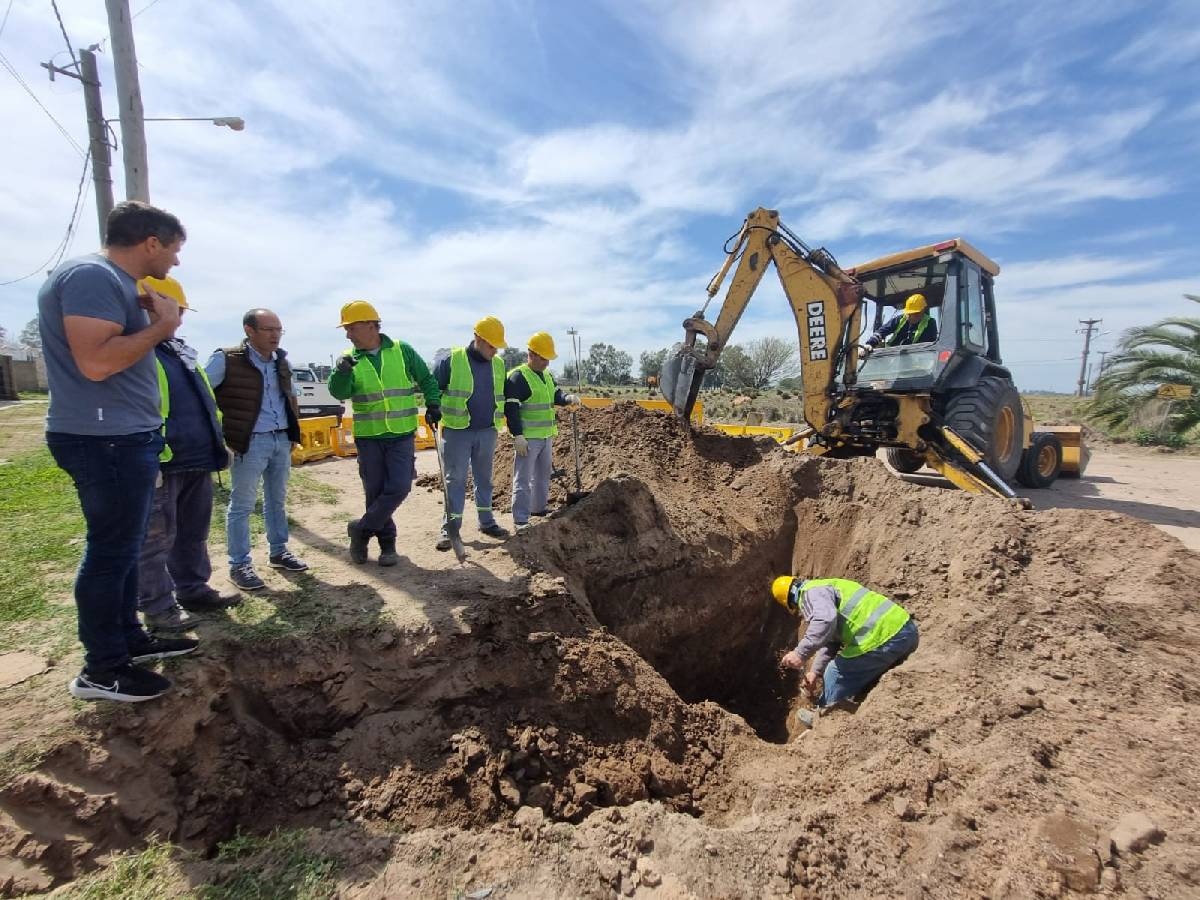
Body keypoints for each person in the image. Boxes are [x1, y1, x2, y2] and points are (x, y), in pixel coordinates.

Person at [38, 200, 199, 703]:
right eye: (173, 250)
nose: (174, 262)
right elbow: (95, 362)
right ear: (151, 241)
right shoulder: (92, 276)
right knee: (110, 552)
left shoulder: (117, 285)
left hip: (124, 436)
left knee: (125, 549)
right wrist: (161, 328)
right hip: (103, 439)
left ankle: (128, 639)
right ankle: (101, 668)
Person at [135, 276, 238, 632]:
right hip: (161, 460)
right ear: (148, 306)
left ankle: (193, 589)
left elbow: (206, 403)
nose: (179, 319)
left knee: (192, 532)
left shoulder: (179, 353)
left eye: (179, 312)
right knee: (155, 539)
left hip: (196, 457)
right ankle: (158, 608)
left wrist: (216, 443)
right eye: (174, 311)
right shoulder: (135, 351)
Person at [328, 300, 441, 566]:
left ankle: (361, 530)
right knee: (375, 492)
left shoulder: (403, 351)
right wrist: (341, 373)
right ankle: (387, 545)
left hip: (401, 434)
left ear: (371, 326)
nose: (348, 334)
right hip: (369, 438)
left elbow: (426, 379)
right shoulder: (350, 359)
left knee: (400, 487)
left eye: (351, 327)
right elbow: (339, 392)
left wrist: (434, 403)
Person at [206, 309, 307, 591]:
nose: (275, 335)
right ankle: (239, 564)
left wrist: (292, 433)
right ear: (249, 331)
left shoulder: (281, 361)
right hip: (250, 442)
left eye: (279, 330)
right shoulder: (227, 359)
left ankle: (279, 552)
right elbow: (201, 391)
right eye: (268, 329)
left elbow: (291, 397)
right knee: (242, 505)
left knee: (276, 500)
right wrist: (219, 434)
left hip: (280, 440)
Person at [772, 575, 919, 726]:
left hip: (884, 638)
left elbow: (825, 621)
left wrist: (800, 653)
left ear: (790, 601)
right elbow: (831, 640)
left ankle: (821, 719)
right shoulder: (826, 586)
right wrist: (814, 672)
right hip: (907, 632)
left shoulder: (809, 594)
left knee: (834, 673)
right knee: (848, 676)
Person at [432, 316, 511, 549]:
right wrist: (433, 408)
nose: (494, 350)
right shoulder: (452, 360)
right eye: (490, 345)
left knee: (484, 479)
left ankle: (486, 522)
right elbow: (433, 389)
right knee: (455, 480)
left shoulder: (498, 364)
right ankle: (450, 529)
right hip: (457, 431)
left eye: (497, 346)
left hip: (487, 431)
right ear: (477, 338)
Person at [503, 331, 578, 532]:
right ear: (532, 354)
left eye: (548, 358)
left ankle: (538, 508)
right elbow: (511, 409)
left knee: (543, 475)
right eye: (544, 358)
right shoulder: (518, 377)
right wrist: (517, 435)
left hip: (545, 436)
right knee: (523, 478)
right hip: (527, 438)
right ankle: (520, 519)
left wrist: (567, 398)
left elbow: (555, 394)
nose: (547, 363)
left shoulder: (545, 375)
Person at [865, 292, 938, 348]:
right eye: (909, 314)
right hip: (891, 357)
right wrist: (870, 344)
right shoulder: (900, 319)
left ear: (922, 311)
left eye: (915, 313)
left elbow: (930, 345)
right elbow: (882, 331)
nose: (911, 317)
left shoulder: (930, 323)